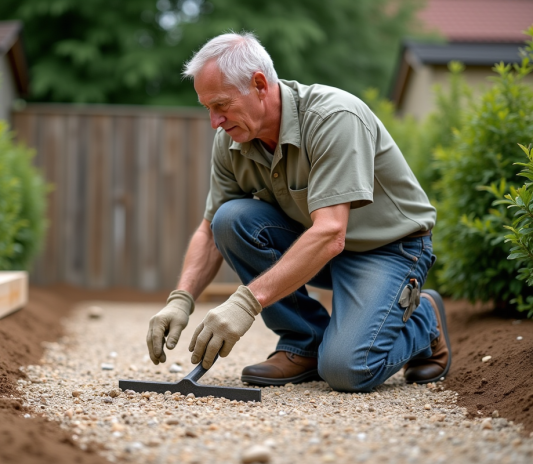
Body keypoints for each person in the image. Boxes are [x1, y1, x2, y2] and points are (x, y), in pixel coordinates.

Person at [145, 32, 450, 392]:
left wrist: (245, 304)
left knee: (347, 369)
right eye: (207, 108)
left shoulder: (333, 117)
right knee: (231, 220)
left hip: (389, 252)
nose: (215, 121)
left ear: (259, 84)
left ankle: (424, 320)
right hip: (322, 251)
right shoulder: (231, 141)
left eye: (221, 105)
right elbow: (211, 230)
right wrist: (181, 301)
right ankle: (303, 344)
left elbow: (331, 233)